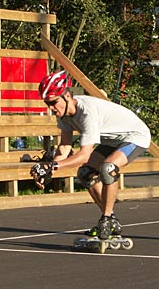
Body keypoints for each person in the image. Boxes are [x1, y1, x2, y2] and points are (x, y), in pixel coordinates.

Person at [30, 70, 151, 239]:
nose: (50, 108)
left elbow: (84, 155)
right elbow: (64, 148)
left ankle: (106, 219)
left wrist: (53, 165)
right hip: (112, 140)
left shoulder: (87, 113)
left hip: (134, 136)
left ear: (66, 96)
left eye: (53, 102)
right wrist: (49, 170)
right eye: (47, 104)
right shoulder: (64, 115)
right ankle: (111, 220)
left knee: (108, 168)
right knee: (86, 174)